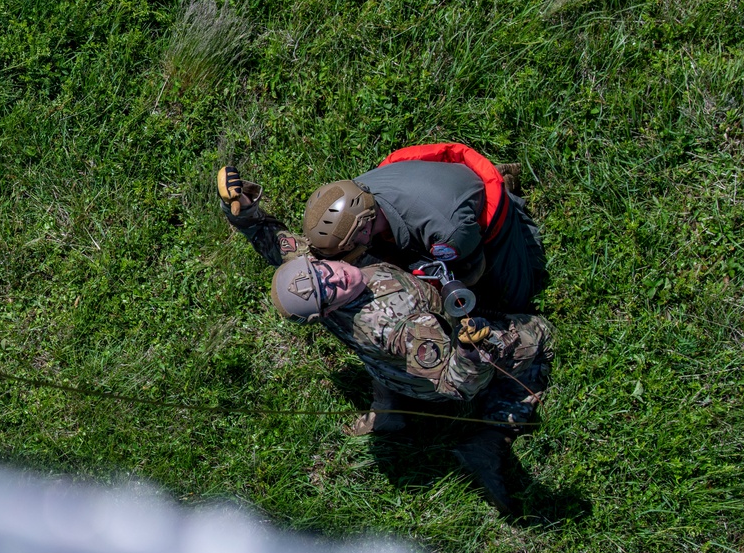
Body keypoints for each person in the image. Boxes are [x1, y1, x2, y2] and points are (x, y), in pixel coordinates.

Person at [217, 166, 554, 513]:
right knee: (539, 333)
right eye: (329, 291)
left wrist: (238, 204)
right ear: (325, 311)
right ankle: (491, 438)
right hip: (424, 374)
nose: (337, 276)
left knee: (381, 363)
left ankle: (387, 412)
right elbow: (456, 385)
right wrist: (468, 349)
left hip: (383, 367)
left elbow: (270, 239)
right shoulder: (394, 324)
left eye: (322, 272)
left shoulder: (311, 273)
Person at [301, 143, 547, 311]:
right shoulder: (355, 192)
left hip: (472, 215)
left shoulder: (447, 233)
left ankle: (502, 187)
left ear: (365, 229)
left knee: (517, 298)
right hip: (435, 184)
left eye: (348, 247)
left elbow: (472, 269)